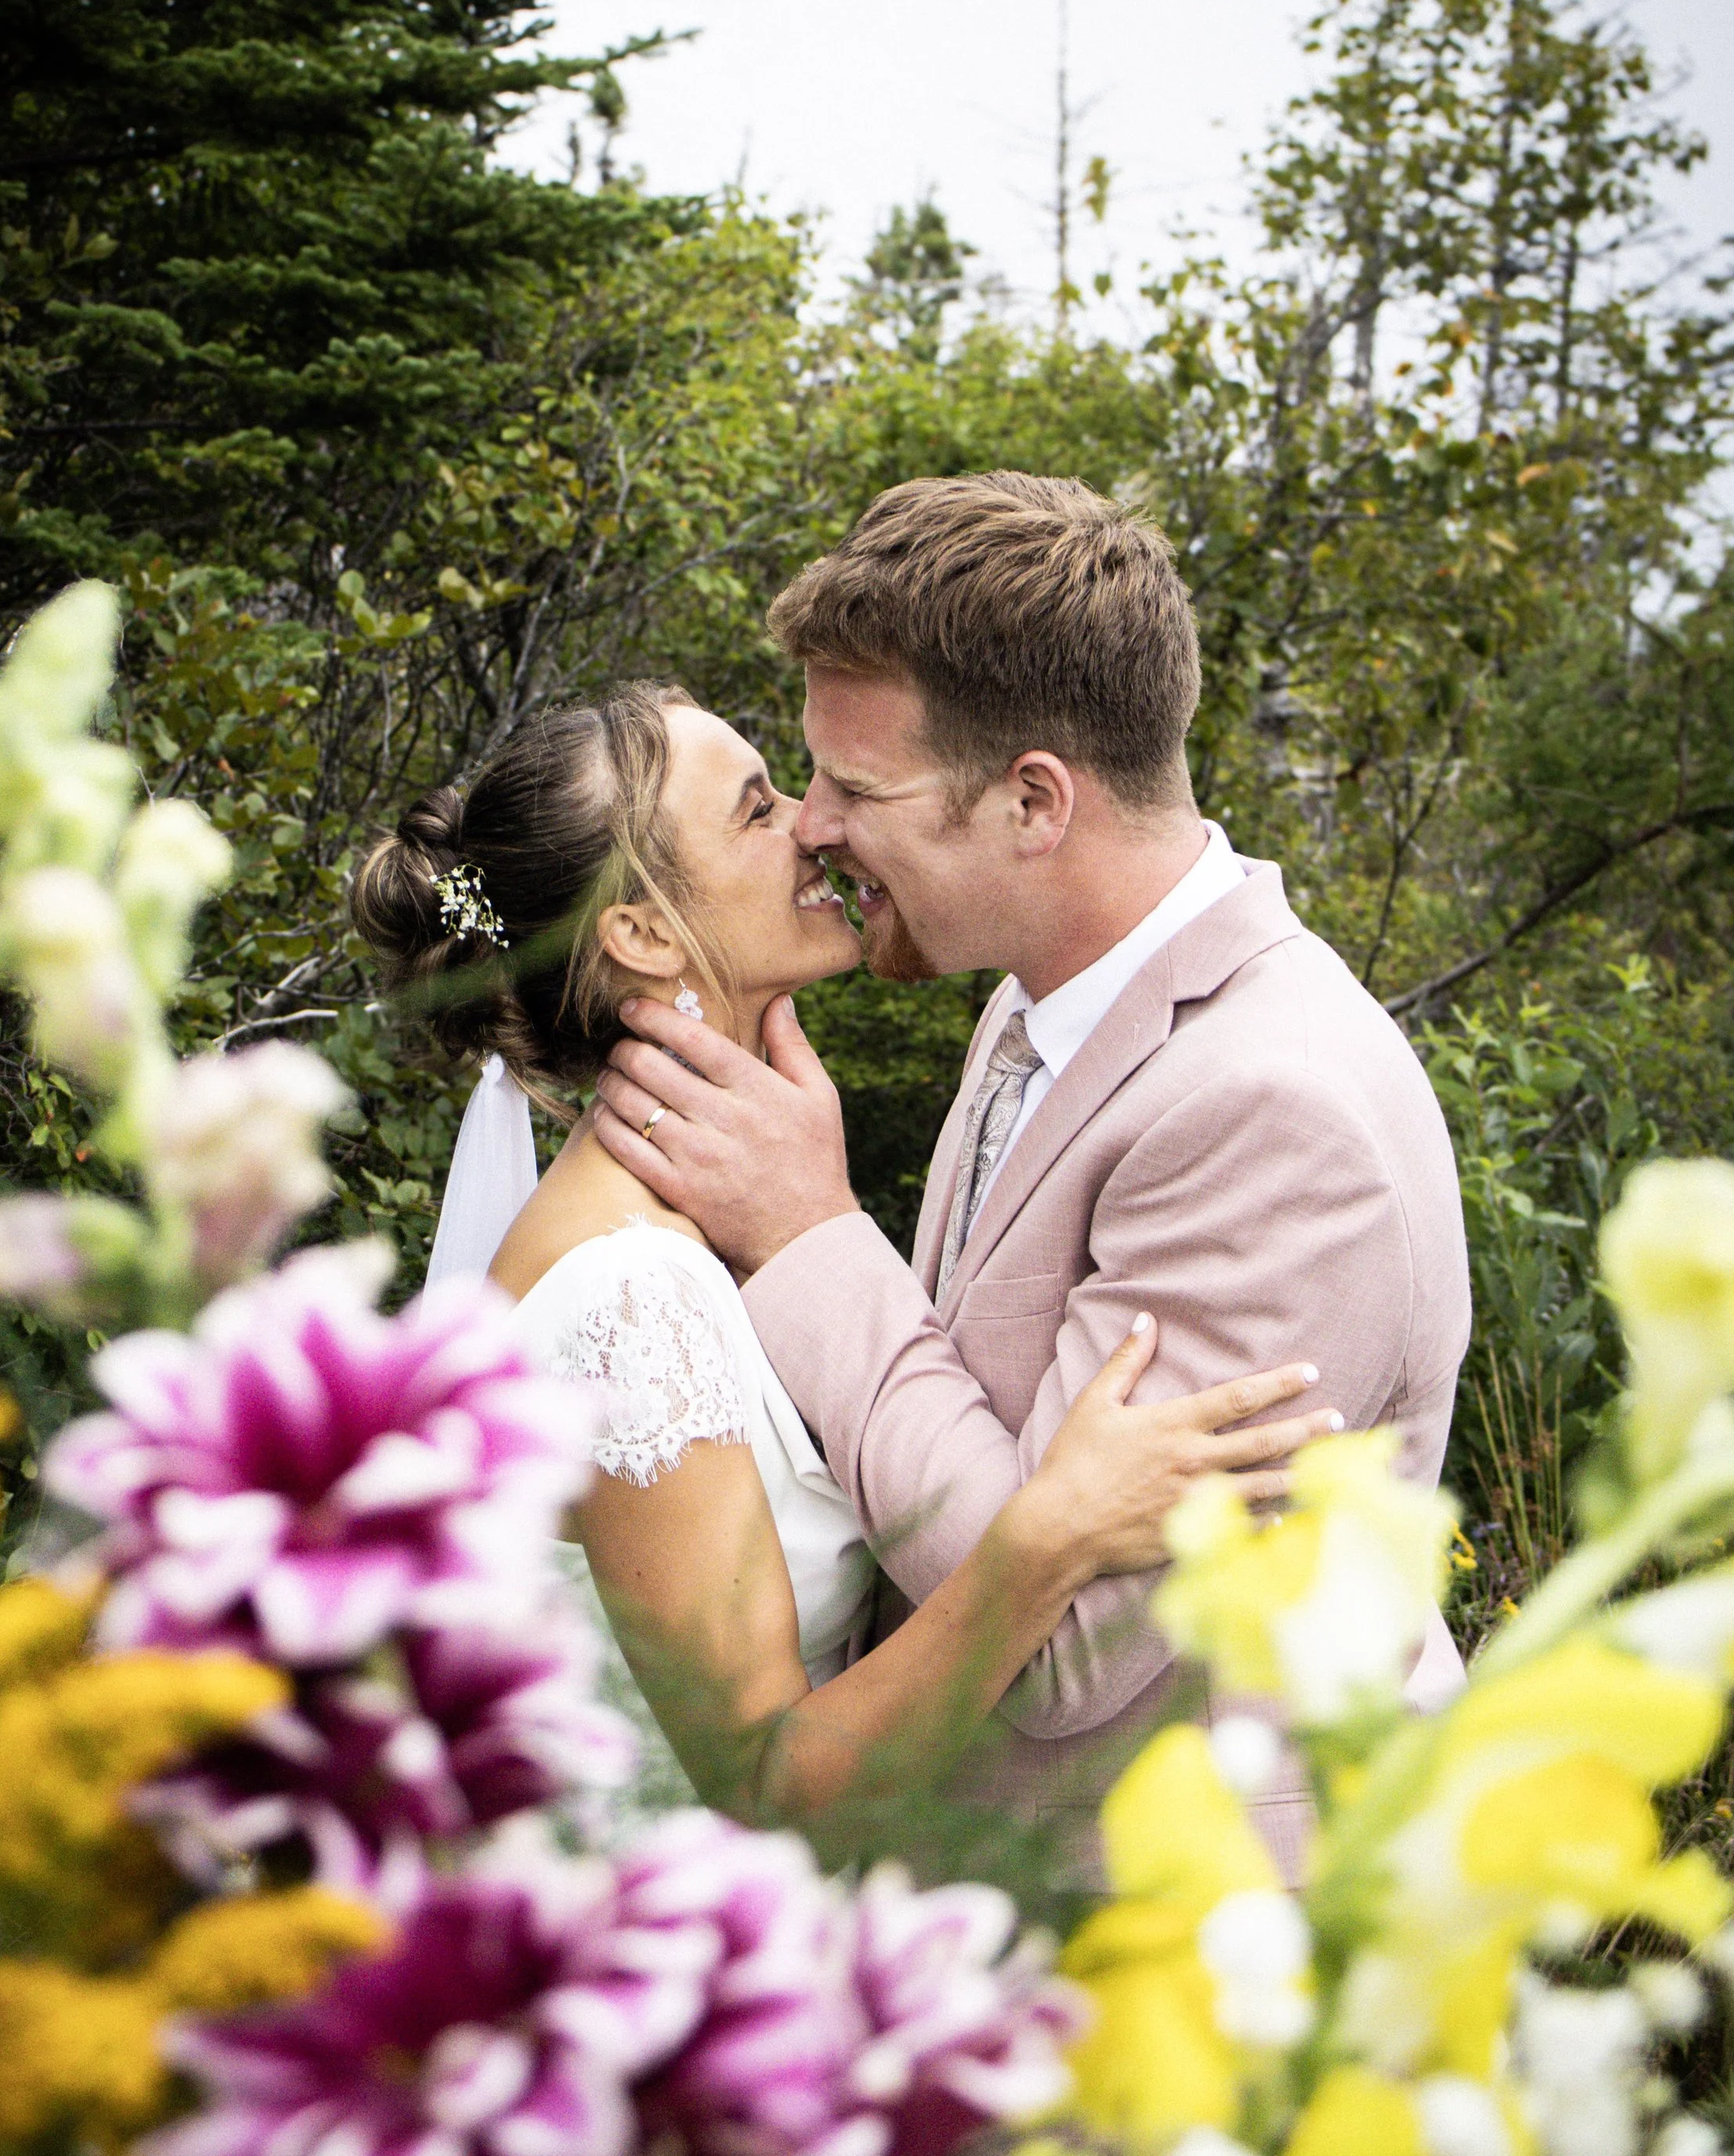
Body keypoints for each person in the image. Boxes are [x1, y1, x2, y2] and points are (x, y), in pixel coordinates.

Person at [589, 474, 1471, 1888]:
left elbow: (1067, 1643)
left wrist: (814, 1233)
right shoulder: (1038, 1002)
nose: (813, 826)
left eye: (856, 787)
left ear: (1034, 801)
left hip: (1196, 1955)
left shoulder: (1272, 1111)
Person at [350, 680, 1340, 1842]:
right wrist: (1054, 1529)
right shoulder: (629, 1297)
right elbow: (768, 1785)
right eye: (757, 809)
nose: (814, 825)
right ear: (642, 931)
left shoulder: (712, 1208)